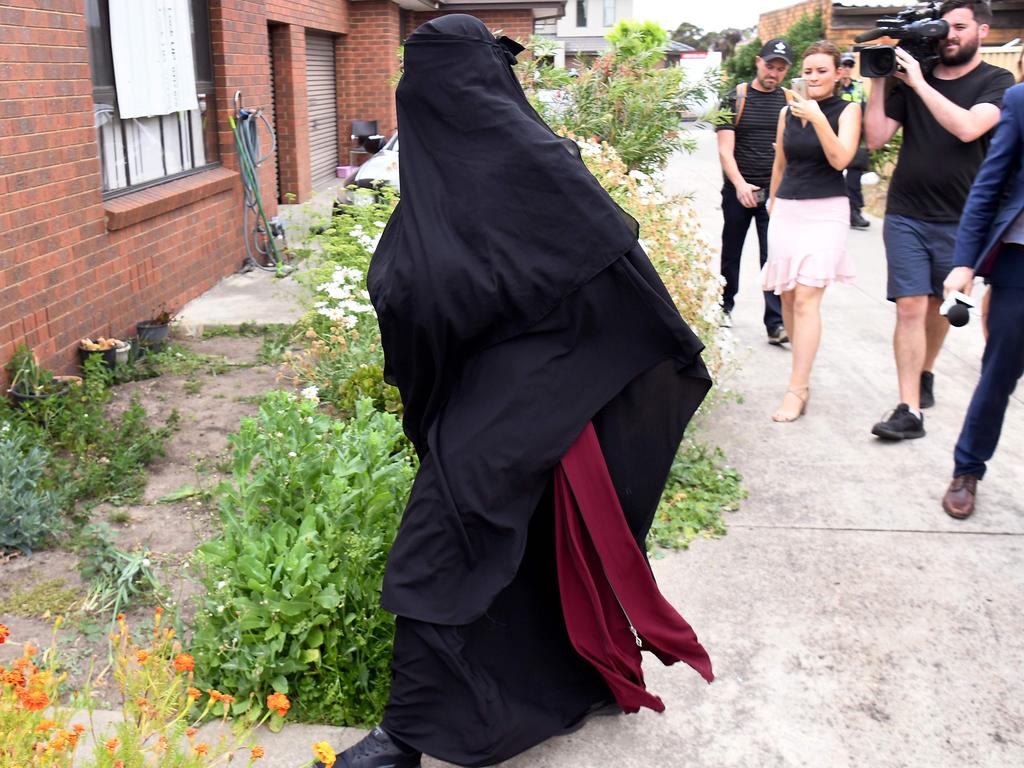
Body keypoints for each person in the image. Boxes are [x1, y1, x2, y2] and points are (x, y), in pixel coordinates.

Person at [313, 15, 714, 768]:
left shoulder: (528, 167)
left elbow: (610, 281)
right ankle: (575, 676)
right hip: (529, 404)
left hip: (533, 406)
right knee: (531, 547)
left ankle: (405, 736)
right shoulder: (463, 177)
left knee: (440, 543)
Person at [864, 0, 1014, 440]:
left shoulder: (997, 81)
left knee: (939, 307)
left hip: (963, 220)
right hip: (906, 212)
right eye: (944, 28)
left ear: (982, 31)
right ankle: (909, 408)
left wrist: (918, 84)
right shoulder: (914, 79)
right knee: (910, 306)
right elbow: (875, 138)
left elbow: (969, 127)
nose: (950, 36)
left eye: (960, 27)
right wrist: (878, 80)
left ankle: (925, 370)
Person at [761, 40, 861, 422]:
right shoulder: (788, 113)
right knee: (787, 298)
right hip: (787, 210)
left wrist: (818, 117)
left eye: (822, 70)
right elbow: (780, 164)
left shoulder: (848, 110)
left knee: (806, 298)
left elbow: (840, 160)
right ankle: (800, 377)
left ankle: (797, 388)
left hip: (827, 211)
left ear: (838, 74)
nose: (813, 77)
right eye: (809, 70)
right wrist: (772, 203)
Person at [940, 82, 1024, 519]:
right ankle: (968, 468)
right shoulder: (1020, 101)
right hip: (1020, 264)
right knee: (999, 375)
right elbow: (988, 186)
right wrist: (965, 262)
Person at [716, 38, 792, 345]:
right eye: (770, 65)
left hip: (774, 194)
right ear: (758, 62)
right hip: (737, 191)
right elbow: (724, 150)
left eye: (780, 69)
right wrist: (740, 185)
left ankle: (775, 324)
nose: (773, 73)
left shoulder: (791, 100)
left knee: (772, 257)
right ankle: (724, 306)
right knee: (731, 252)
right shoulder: (732, 98)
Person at [838, 52, 871, 229]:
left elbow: (865, 111)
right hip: (835, 136)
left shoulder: (858, 88)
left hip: (856, 137)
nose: (847, 69)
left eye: (850, 66)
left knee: (854, 176)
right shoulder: (834, 87)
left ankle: (855, 211)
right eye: (844, 65)